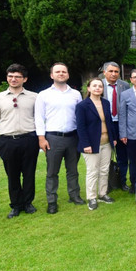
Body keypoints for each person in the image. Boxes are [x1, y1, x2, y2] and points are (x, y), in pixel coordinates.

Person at [0, 64, 39, 219]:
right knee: (12, 175)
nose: (13, 79)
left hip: (29, 138)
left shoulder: (34, 97)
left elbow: (38, 117)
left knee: (29, 173)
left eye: (17, 76)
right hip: (7, 140)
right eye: (10, 76)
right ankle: (16, 205)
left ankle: (28, 203)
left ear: (24, 79)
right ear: (7, 77)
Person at [35, 63, 84, 214]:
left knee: (73, 170)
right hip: (53, 138)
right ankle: (52, 201)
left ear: (68, 75)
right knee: (52, 172)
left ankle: (74, 196)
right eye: (58, 72)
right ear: (52, 75)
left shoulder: (75, 94)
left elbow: (80, 117)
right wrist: (41, 139)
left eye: (64, 71)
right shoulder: (43, 94)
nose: (61, 74)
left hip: (73, 137)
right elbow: (38, 118)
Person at [76, 78, 118, 210]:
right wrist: (85, 144)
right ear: (88, 88)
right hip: (91, 144)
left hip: (106, 142)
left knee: (104, 170)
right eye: (94, 86)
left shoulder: (105, 103)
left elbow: (109, 122)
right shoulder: (82, 106)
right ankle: (92, 197)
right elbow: (81, 127)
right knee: (92, 171)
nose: (97, 88)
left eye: (100, 86)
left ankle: (102, 193)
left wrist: (113, 138)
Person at [101, 62, 129, 190]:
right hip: (104, 125)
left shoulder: (125, 85)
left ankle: (122, 182)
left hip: (121, 124)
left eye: (116, 72)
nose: (113, 74)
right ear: (104, 72)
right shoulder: (98, 85)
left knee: (123, 155)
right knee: (105, 155)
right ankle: (106, 184)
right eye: (111, 71)